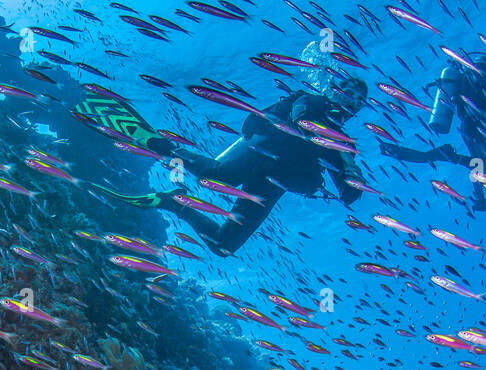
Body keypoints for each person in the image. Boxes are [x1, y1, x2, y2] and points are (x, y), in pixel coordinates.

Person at [141, 76, 370, 257]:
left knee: (225, 245)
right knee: (217, 176)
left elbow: (348, 195)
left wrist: (353, 175)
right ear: (333, 91)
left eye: (360, 101)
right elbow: (301, 119)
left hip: (275, 181)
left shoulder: (342, 145)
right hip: (264, 149)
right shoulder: (314, 101)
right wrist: (335, 140)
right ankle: (165, 148)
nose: (353, 102)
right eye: (349, 93)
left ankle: (176, 204)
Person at [379, 52, 486, 212]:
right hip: (475, 127)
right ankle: (478, 196)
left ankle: (451, 158)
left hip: (474, 127)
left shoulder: (466, 79)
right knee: (479, 164)